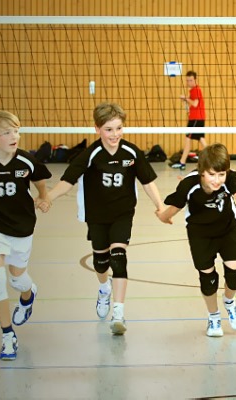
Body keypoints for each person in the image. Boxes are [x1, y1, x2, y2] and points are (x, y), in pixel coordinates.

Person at [43, 102, 165, 335]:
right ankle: (103, 288)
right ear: (97, 129)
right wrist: (48, 198)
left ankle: (118, 313)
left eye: (118, 128)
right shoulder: (90, 155)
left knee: (118, 258)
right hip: (96, 215)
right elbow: (68, 181)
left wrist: (160, 207)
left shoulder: (131, 153)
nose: (115, 134)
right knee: (100, 262)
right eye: (109, 129)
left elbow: (148, 182)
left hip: (122, 213)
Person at [0, 111, 51, 360]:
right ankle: (7, 335)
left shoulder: (26, 161)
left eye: (16, 131)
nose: (14, 136)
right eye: (7, 132)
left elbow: (40, 180)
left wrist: (44, 198)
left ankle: (28, 295)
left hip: (21, 226)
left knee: (18, 279)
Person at [158, 143, 236, 337]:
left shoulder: (231, 177)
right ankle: (214, 316)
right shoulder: (189, 184)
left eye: (221, 174)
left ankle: (229, 301)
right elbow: (175, 207)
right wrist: (163, 216)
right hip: (200, 234)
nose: (217, 180)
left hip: (228, 229)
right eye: (212, 175)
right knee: (208, 280)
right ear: (202, 171)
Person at [171, 70, 207, 170]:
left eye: (191, 80)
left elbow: (195, 103)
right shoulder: (193, 91)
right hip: (196, 118)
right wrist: (186, 101)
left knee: (188, 139)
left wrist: (185, 98)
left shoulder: (196, 90)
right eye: (187, 80)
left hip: (196, 118)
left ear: (195, 80)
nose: (189, 82)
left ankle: (182, 162)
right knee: (200, 139)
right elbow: (191, 105)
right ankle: (183, 162)